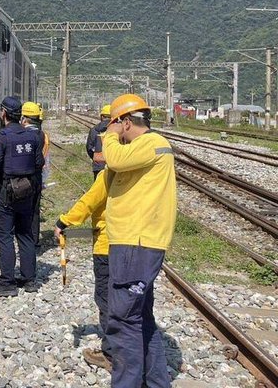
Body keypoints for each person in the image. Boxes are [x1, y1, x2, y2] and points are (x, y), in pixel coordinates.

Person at [102, 94, 177, 388]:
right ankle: (157, 382)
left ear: (125, 122)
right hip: (139, 242)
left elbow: (114, 158)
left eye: (115, 124)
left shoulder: (148, 143)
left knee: (123, 320)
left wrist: (110, 136)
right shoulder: (147, 147)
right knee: (140, 317)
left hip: (136, 243)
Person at [0, 97, 45, 297]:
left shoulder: (1, 137)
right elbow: (39, 163)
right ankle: (29, 280)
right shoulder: (33, 137)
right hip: (27, 191)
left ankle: (7, 282)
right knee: (25, 234)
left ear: (4, 113)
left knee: (4, 237)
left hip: (5, 192)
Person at [54, 170, 113, 372]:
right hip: (136, 245)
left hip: (108, 246)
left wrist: (64, 221)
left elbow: (89, 201)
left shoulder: (110, 173)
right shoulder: (142, 171)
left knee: (106, 299)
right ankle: (134, 350)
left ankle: (111, 354)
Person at [21, 102, 49, 247]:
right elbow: (46, 160)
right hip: (37, 176)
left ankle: (24, 240)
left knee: (22, 209)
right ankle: (35, 240)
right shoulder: (43, 136)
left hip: (22, 178)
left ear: (24, 118)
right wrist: (44, 180)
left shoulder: (21, 134)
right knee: (35, 209)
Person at [86, 105, 111, 178]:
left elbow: (89, 148)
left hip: (98, 165)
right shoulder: (118, 129)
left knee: (98, 187)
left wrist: (95, 157)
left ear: (102, 116)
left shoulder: (94, 130)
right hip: (113, 165)